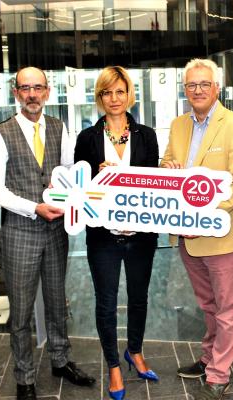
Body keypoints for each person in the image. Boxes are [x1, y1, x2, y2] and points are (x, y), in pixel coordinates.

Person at [0, 67, 96, 400]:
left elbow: (66, 173)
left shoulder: (60, 128)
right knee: (20, 311)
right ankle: (24, 377)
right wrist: (34, 207)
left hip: (55, 230)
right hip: (20, 232)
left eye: (38, 88)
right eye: (25, 88)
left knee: (56, 301)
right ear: (16, 93)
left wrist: (65, 189)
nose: (32, 94)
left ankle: (60, 360)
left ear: (47, 92)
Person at [161, 59, 233, 400]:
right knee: (208, 305)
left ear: (216, 88)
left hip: (221, 235)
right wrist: (168, 169)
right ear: (185, 90)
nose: (197, 90)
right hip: (187, 237)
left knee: (228, 308)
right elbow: (167, 167)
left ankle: (219, 371)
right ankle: (209, 357)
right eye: (191, 85)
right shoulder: (177, 125)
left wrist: (203, 215)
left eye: (204, 84)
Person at [74, 66, 159, 400]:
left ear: (129, 95)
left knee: (139, 298)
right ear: (100, 97)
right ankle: (113, 365)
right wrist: (98, 176)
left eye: (120, 91)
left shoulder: (147, 135)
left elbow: (154, 185)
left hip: (141, 235)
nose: (114, 99)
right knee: (106, 303)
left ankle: (134, 351)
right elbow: (80, 191)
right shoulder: (87, 138)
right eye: (107, 92)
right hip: (103, 237)